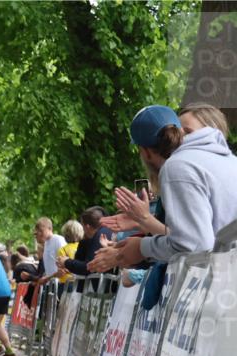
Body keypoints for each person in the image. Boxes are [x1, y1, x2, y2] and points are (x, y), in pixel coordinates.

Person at [92, 104, 237, 270]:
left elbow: (195, 246)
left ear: (145, 152)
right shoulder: (229, 161)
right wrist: (142, 224)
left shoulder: (178, 166)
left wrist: (142, 247)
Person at [58, 207, 113, 277]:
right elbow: (80, 259)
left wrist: (66, 262)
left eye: (82, 226)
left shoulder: (100, 236)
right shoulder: (105, 232)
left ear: (87, 227)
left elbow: (88, 267)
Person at [32, 217, 66, 285]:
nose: (39, 233)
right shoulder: (46, 243)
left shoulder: (58, 240)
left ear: (50, 229)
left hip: (60, 283)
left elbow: (64, 268)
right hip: (51, 284)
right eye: (37, 231)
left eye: (41, 231)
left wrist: (47, 278)